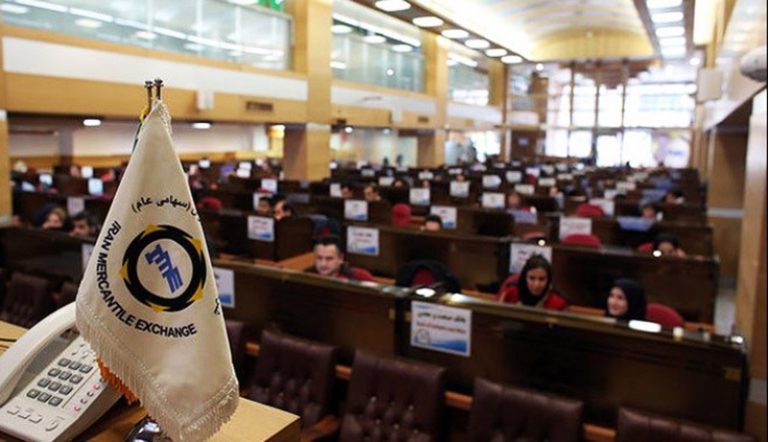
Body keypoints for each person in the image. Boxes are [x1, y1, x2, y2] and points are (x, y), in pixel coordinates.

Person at [497, 255, 567, 310]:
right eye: (532, 278)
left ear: (548, 280)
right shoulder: (510, 292)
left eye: (542, 279)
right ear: (525, 277)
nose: (536, 285)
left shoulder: (558, 302)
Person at [307, 235, 374, 282]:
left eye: (329, 259)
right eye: (319, 258)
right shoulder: (307, 277)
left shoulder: (360, 277)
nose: (323, 264)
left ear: (341, 259)